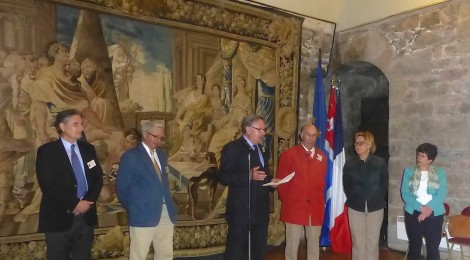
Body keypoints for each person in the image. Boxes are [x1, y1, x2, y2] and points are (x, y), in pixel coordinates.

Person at [35, 109, 103, 259]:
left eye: (81, 124)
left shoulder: (88, 149)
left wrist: (87, 202)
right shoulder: (47, 152)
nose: (81, 128)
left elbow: (98, 178)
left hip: (86, 216)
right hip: (58, 217)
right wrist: (74, 204)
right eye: (76, 124)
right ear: (62, 127)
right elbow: (48, 185)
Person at [219, 113, 278, 260]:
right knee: (237, 252)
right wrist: (247, 176)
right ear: (248, 129)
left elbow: (261, 175)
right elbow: (223, 177)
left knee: (258, 250)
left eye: (264, 130)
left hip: (260, 211)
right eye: (260, 130)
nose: (263, 133)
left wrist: (272, 182)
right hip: (241, 212)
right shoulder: (233, 148)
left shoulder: (260, 149)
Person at [116, 120, 177, 260]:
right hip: (142, 214)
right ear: (144, 134)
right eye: (155, 136)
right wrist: (135, 207)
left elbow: (162, 183)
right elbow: (122, 188)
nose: (159, 140)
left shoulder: (161, 155)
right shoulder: (130, 156)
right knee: (139, 255)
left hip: (166, 212)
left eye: (161, 137)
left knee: (166, 254)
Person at [277, 124, 327, 260]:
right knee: (292, 246)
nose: (311, 138)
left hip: (315, 209)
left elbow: (321, 183)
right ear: (301, 135)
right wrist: (289, 202)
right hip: (295, 207)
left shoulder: (321, 157)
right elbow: (282, 183)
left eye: (314, 135)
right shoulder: (289, 154)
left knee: (313, 246)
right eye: (308, 134)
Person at [343, 131, 388, 260]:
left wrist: (377, 198)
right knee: (358, 244)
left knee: (372, 244)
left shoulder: (380, 163)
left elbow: (384, 184)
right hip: (355, 207)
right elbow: (347, 186)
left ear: (369, 145)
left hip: (375, 207)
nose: (357, 146)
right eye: (356, 143)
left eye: (361, 143)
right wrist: (354, 198)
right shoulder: (350, 164)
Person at [401, 143, 447, 260]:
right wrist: (421, 208)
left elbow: (441, 193)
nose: (419, 158)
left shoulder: (440, 173)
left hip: (434, 214)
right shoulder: (409, 171)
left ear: (430, 159)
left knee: (433, 248)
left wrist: (427, 210)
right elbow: (405, 193)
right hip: (413, 212)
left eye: (423, 156)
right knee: (414, 246)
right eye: (418, 155)